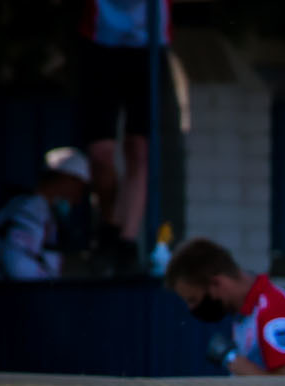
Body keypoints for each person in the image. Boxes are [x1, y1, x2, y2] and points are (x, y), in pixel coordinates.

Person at [76, 0, 167, 264]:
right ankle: (109, 225)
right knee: (101, 154)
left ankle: (127, 241)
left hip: (148, 44)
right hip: (102, 41)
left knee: (139, 149)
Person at [163, 238, 285, 376]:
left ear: (216, 283)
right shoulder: (245, 315)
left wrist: (237, 363)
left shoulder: (273, 310)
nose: (192, 309)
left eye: (193, 299)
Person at [0, 148, 93, 280]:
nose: (79, 198)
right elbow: (19, 268)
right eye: (80, 188)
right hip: (18, 298)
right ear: (66, 179)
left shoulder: (42, 210)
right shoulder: (29, 209)